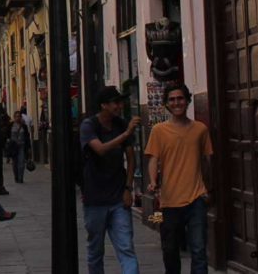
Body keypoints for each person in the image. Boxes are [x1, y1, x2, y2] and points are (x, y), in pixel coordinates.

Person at [145, 82, 213, 274]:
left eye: (180, 98)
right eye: (172, 100)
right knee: (170, 249)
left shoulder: (200, 129)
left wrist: (209, 189)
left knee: (199, 250)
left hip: (196, 198)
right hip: (169, 201)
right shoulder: (159, 130)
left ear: (188, 101)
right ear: (166, 103)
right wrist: (152, 181)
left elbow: (207, 161)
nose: (177, 103)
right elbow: (153, 159)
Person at [80, 86, 140, 274]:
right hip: (95, 198)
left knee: (126, 248)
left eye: (120, 102)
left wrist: (128, 188)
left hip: (118, 198)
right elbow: (100, 149)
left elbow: (131, 158)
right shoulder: (89, 126)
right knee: (96, 250)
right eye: (116, 102)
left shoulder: (121, 124)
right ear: (103, 105)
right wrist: (126, 134)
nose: (120, 106)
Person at [8, 110, 33, 184]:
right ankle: (16, 177)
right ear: (14, 117)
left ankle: (20, 178)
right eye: (16, 117)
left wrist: (29, 147)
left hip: (22, 146)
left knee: (21, 162)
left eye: (19, 116)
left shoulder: (24, 126)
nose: (18, 118)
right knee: (15, 163)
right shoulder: (11, 125)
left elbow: (27, 136)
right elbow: (7, 134)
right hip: (14, 146)